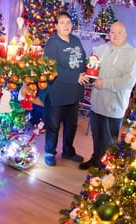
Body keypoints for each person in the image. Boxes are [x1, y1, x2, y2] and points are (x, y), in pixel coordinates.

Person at [79, 21, 136, 170]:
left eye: (119, 32)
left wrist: (105, 83)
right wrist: (86, 75)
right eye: (112, 32)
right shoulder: (100, 49)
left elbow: (128, 81)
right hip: (97, 102)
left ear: (125, 34)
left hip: (114, 106)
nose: (115, 35)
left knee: (109, 141)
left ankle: (106, 169)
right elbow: (92, 69)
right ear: (109, 34)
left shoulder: (131, 55)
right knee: (97, 136)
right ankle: (95, 159)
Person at [42, 11, 89, 166]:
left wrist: (91, 67)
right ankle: (50, 152)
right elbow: (52, 68)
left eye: (68, 22)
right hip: (58, 92)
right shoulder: (52, 43)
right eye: (62, 22)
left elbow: (83, 60)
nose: (66, 25)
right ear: (56, 26)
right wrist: (75, 77)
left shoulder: (75, 40)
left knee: (72, 124)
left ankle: (68, 151)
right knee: (54, 124)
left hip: (74, 92)